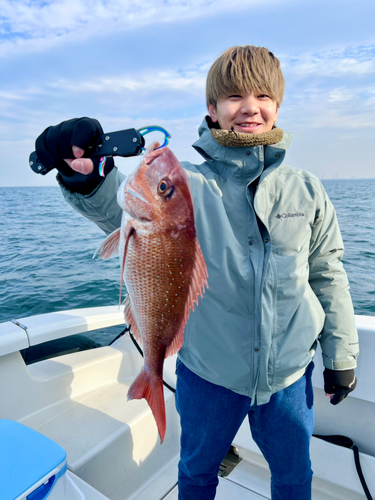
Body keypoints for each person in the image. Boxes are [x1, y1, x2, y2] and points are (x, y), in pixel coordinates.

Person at [34, 45, 359, 500]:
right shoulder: (188, 184)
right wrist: (85, 179)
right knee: (197, 470)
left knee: (293, 474)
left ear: (278, 106)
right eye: (233, 97)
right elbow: (127, 211)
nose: (249, 107)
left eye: (263, 96)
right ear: (212, 109)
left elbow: (327, 272)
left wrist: (340, 354)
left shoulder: (306, 189)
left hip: (287, 375)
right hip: (208, 373)